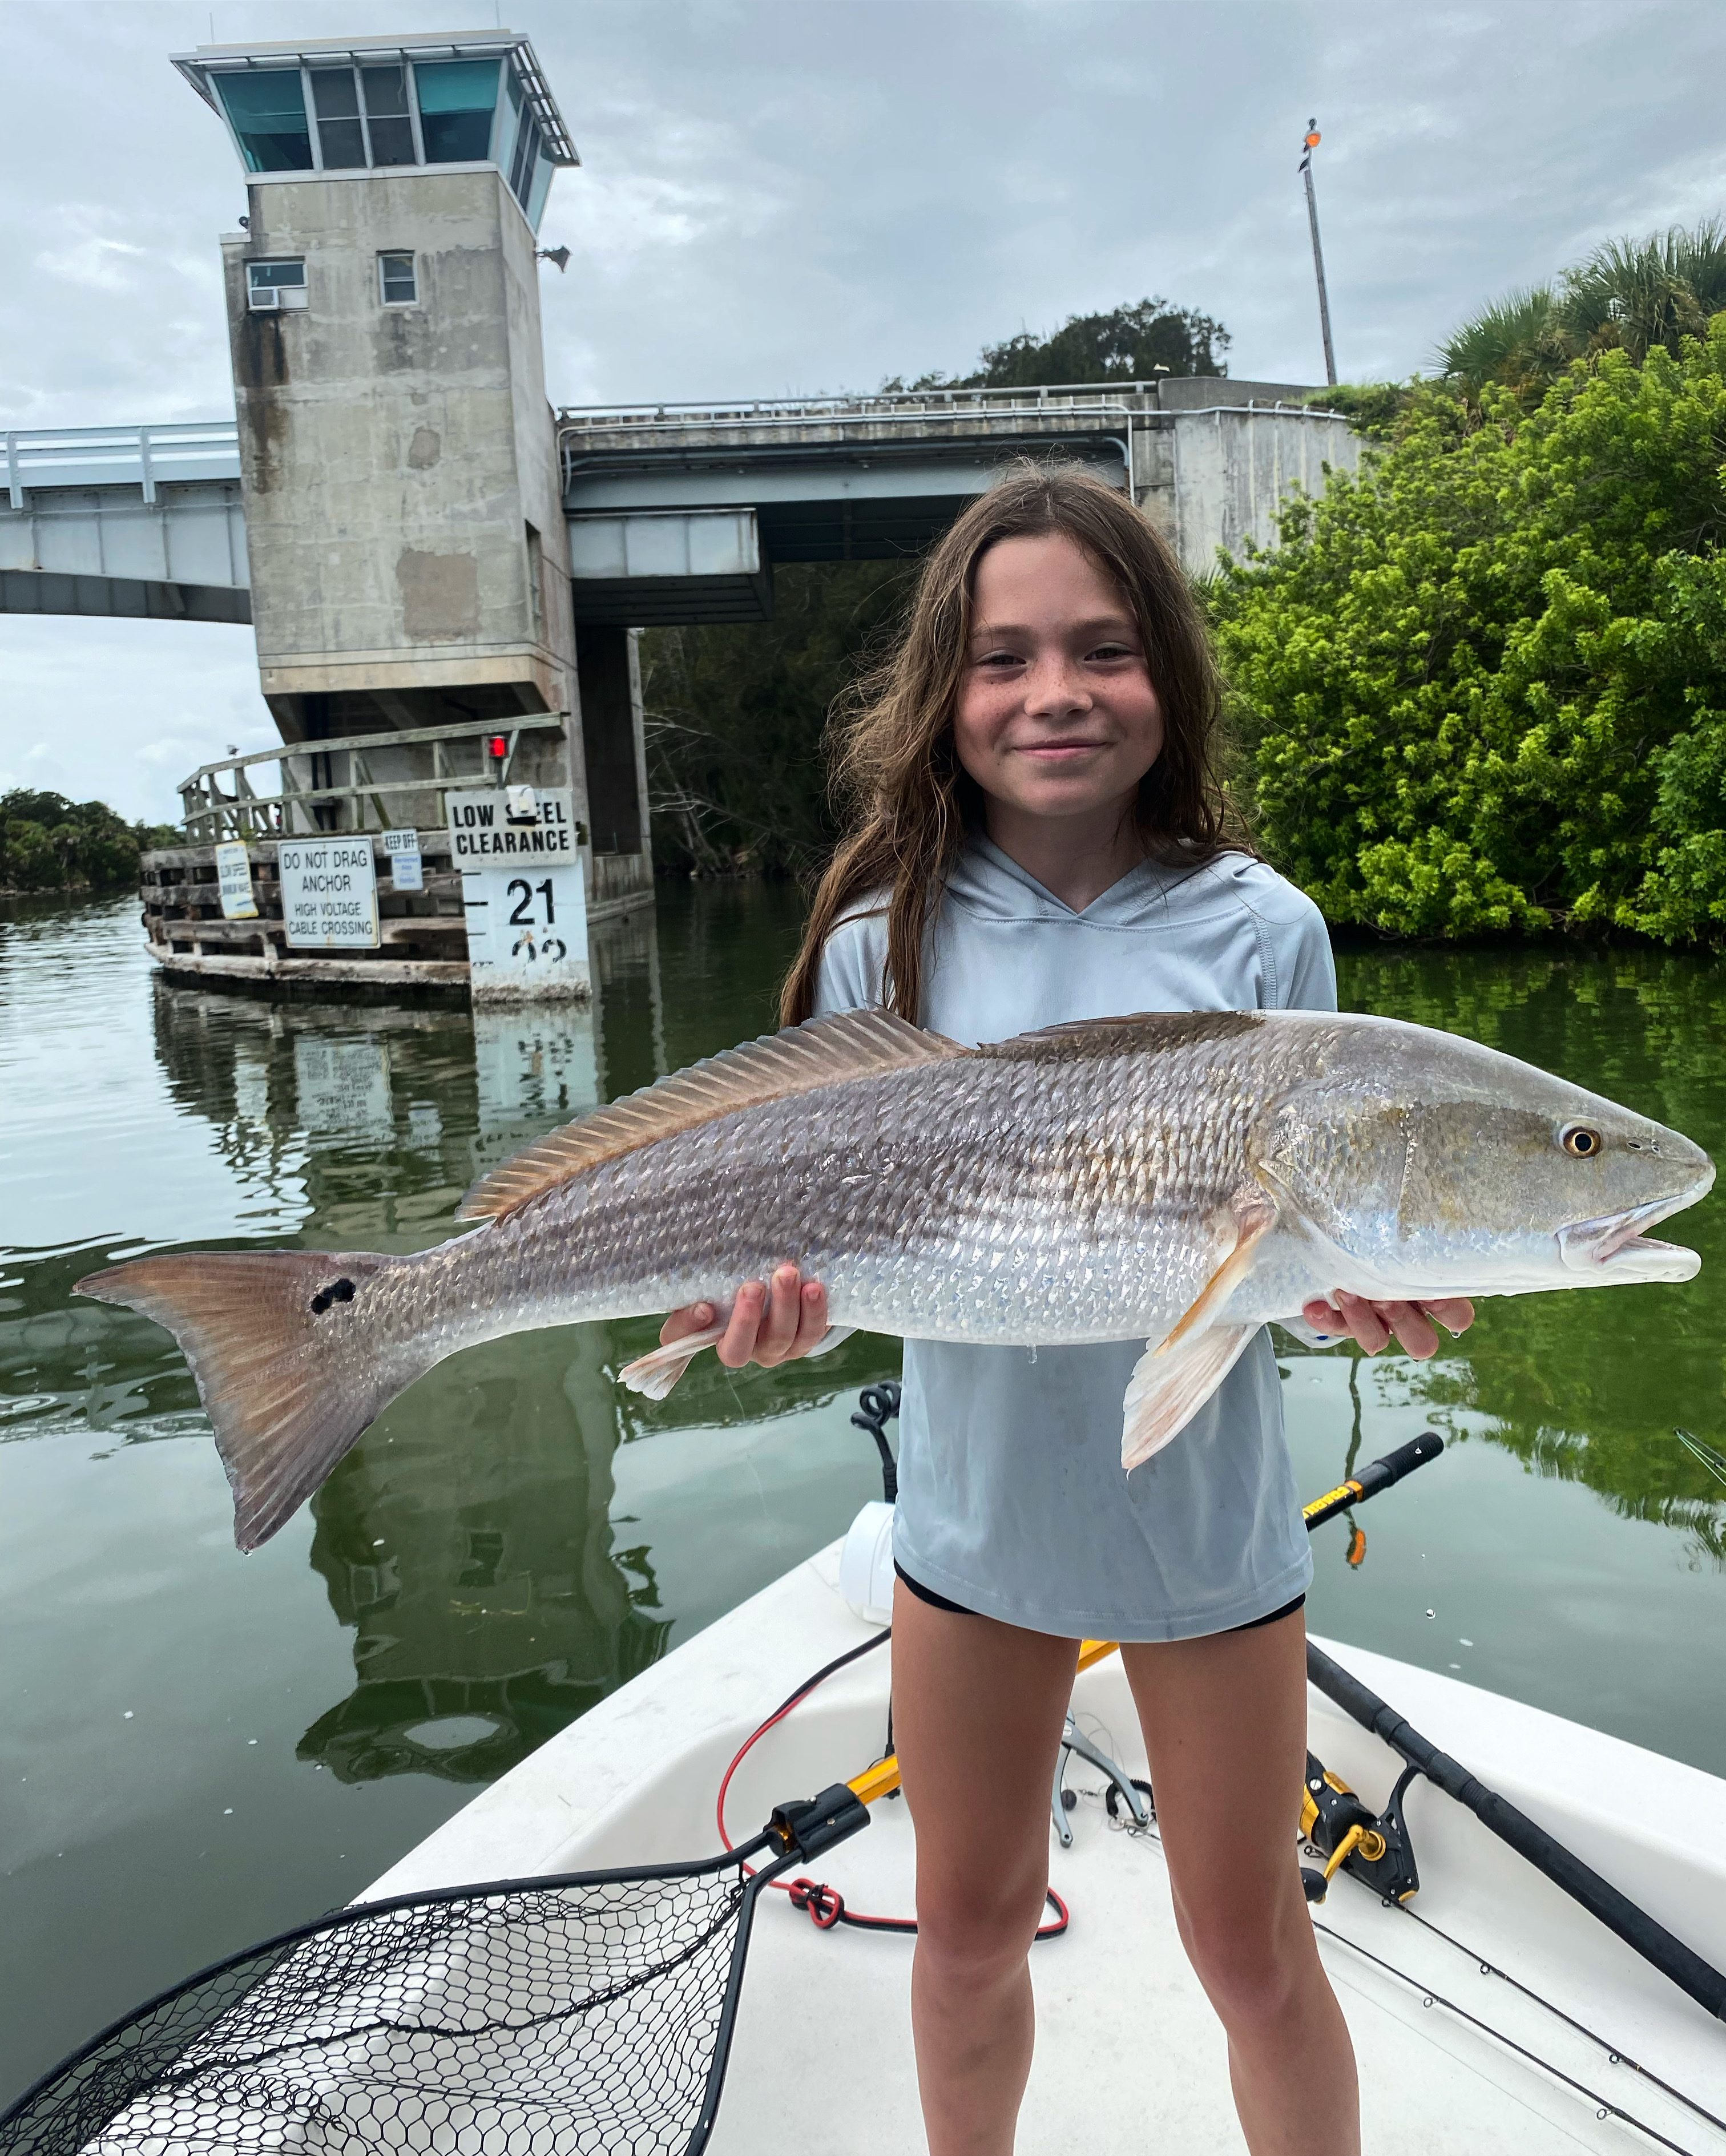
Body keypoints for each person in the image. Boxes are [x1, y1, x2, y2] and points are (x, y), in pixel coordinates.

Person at [659, 464, 1473, 2156]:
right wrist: (766, 1321)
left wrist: (1352, 1303)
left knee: (1252, 1948)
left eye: (1103, 648)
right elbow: (831, 1251)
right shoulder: (886, 943)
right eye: (1004, 655)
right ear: (942, 695)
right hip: (971, 1531)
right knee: (963, 1934)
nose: (1056, 692)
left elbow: (1275, 1257)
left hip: (1213, 1537)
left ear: (1164, 673)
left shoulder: (1266, 934)